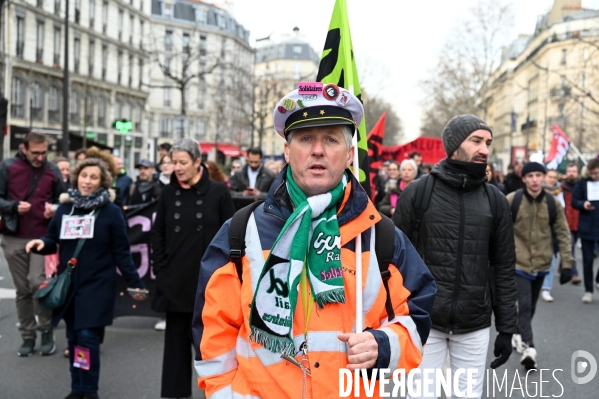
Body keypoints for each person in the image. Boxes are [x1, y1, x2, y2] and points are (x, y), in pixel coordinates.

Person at [192, 85, 436, 399]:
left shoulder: (380, 236)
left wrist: (384, 346)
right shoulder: (242, 231)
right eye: (306, 138)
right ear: (286, 150)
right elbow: (213, 328)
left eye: (331, 139)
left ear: (349, 155)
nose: (317, 150)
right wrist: (225, 394)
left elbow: (418, 315)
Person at [393, 114, 517, 398]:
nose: (485, 149)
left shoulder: (495, 200)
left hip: (474, 325)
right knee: (421, 395)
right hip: (424, 320)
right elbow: (395, 262)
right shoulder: (418, 192)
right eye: (476, 141)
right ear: (453, 145)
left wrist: (508, 329)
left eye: (488, 142)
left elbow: (503, 267)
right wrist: (391, 317)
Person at [25, 157, 146, 399]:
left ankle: (89, 391)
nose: (87, 181)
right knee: (74, 337)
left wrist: (135, 282)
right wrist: (41, 244)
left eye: (93, 177)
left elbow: (122, 252)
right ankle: (77, 388)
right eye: (83, 176)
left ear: (102, 182)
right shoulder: (65, 209)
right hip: (70, 286)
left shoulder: (111, 213)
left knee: (88, 337)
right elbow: (53, 241)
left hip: (98, 285)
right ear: (76, 177)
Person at [151, 138, 235, 399]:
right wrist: (161, 270)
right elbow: (159, 233)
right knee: (175, 351)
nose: (176, 167)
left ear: (198, 162)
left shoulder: (218, 192)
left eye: (182, 162)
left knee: (211, 350)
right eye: (173, 162)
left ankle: (218, 393)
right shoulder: (167, 193)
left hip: (209, 284)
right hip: (175, 283)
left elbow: (231, 235)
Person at [0, 132, 66, 357]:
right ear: (24, 149)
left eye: (44, 152)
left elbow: (63, 200)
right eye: (35, 153)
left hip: (43, 236)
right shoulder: (8, 167)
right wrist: (12, 206)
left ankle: (46, 330)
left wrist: (54, 209)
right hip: (13, 236)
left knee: (38, 282)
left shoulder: (52, 170)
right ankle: (27, 336)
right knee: (22, 290)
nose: (40, 157)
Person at [506, 162, 573, 369]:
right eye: (530, 176)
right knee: (524, 304)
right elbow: (498, 232)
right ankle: (530, 348)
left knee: (531, 306)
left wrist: (567, 262)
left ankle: (518, 333)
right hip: (519, 263)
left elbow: (563, 232)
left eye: (538, 175)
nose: (535, 179)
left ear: (543, 177)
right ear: (524, 178)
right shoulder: (512, 200)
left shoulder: (553, 203)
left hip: (543, 262)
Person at [572, 158, 599, 303]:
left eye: (596, 173)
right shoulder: (582, 183)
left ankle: (598, 281)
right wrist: (583, 204)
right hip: (587, 227)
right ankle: (588, 291)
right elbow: (574, 200)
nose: (594, 176)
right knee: (587, 261)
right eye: (591, 173)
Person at [539, 169, 565, 302]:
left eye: (555, 177)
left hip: (552, 232)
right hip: (537, 232)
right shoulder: (537, 190)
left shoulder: (559, 193)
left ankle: (546, 288)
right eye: (550, 177)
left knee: (552, 259)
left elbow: (562, 214)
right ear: (545, 177)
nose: (552, 179)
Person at [561, 163, 582, 285]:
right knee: (571, 246)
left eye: (574, 171)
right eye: (569, 171)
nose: (571, 173)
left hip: (579, 222)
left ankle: (562, 265)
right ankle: (574, 273)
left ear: (577, 173)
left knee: (569, 246)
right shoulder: (561, 187)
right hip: (565, 222)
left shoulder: (581, 187)